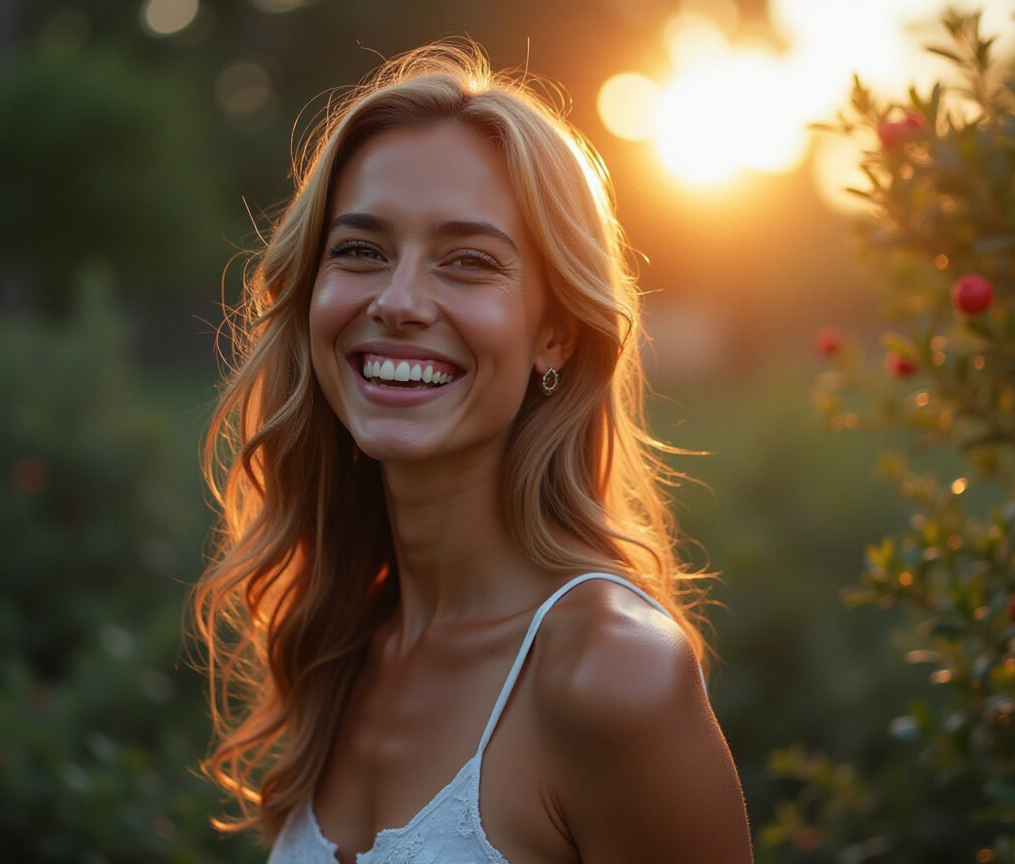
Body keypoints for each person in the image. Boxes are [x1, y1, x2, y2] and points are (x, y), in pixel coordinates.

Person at [190, 41, 754, 864]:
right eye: (360, 250)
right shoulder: (341, 643)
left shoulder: (614, 675)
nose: (399, 301)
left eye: (468, 261)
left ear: (555, 334)